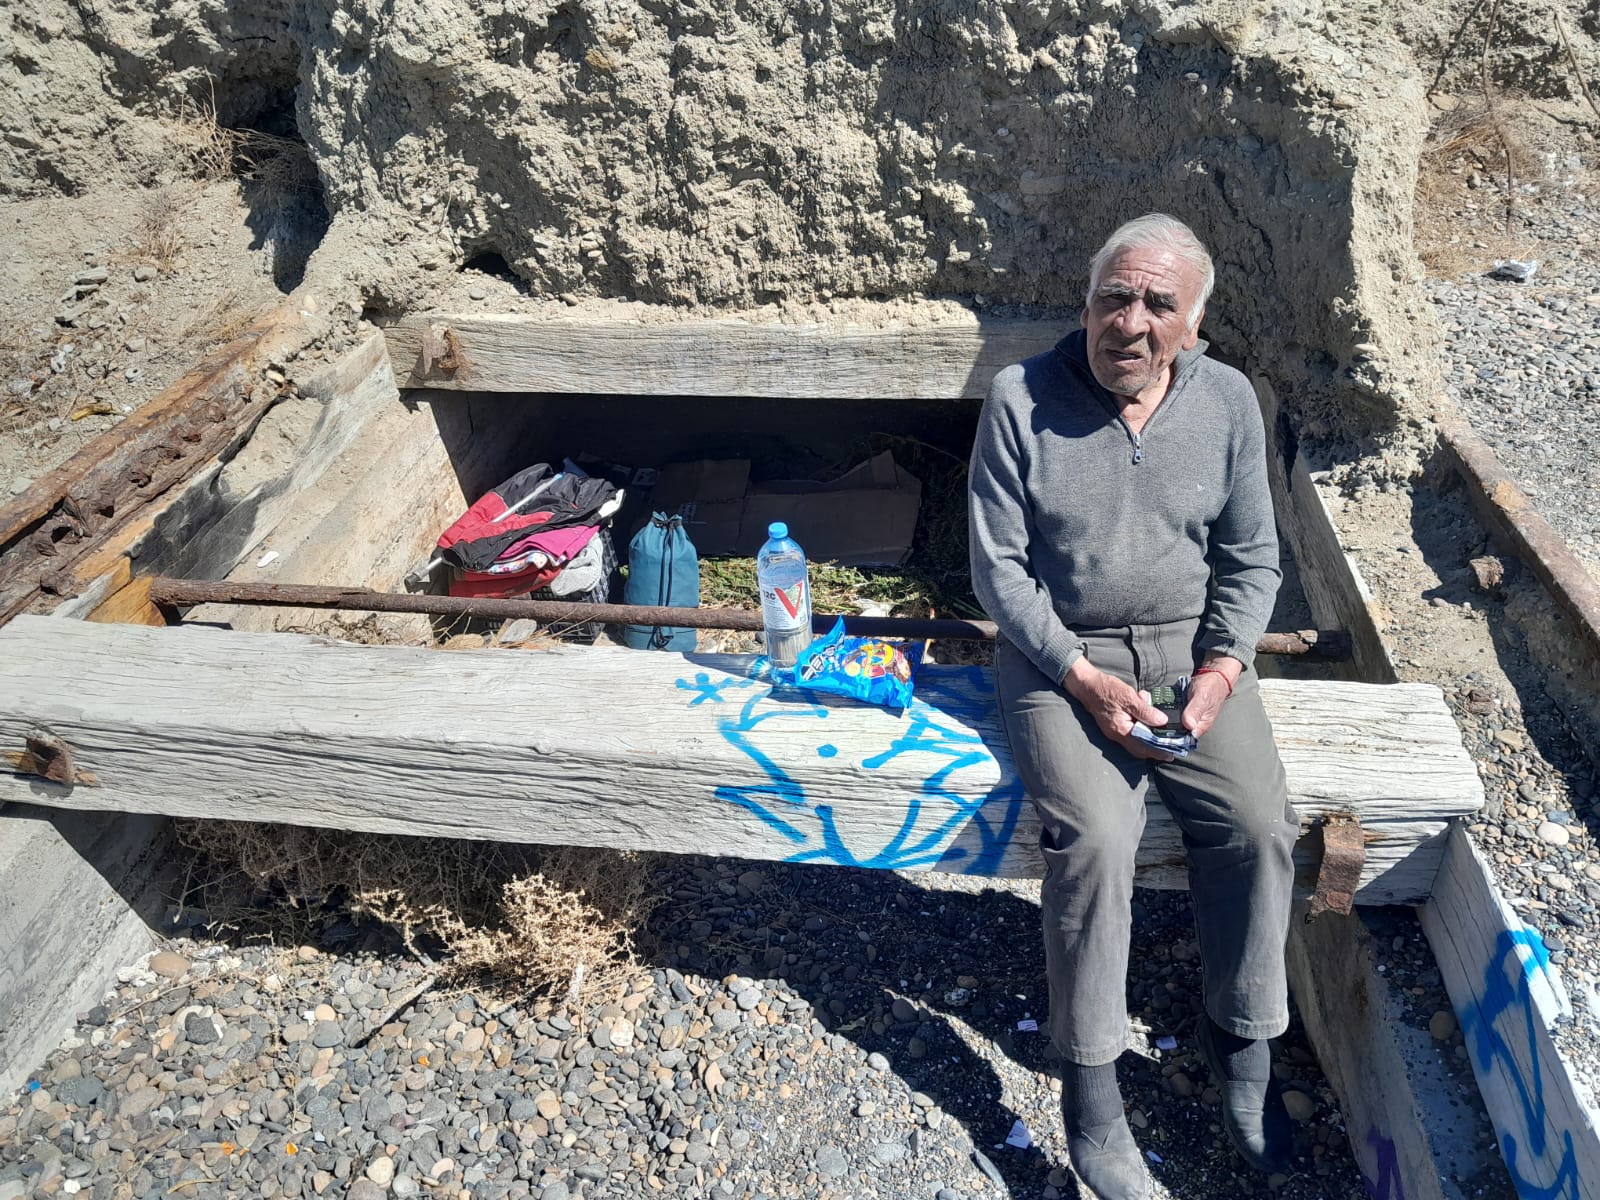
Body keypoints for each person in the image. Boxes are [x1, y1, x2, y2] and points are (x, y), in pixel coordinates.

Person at [967, 213, 1297, 1199]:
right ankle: (1093, 1091)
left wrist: (1223, 669)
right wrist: (1077, 674)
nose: (1131, 321)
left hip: (1190, 653)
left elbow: (1251, 557)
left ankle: (1242, 1045)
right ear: (1087, 304)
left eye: (1159, 305)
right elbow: (998, 571)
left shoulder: (1228, 401)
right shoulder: (1023, 398)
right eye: (1116, 297)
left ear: (1193, 326)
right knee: (1098, 838)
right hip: (1055, 657)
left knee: (1258, 824)